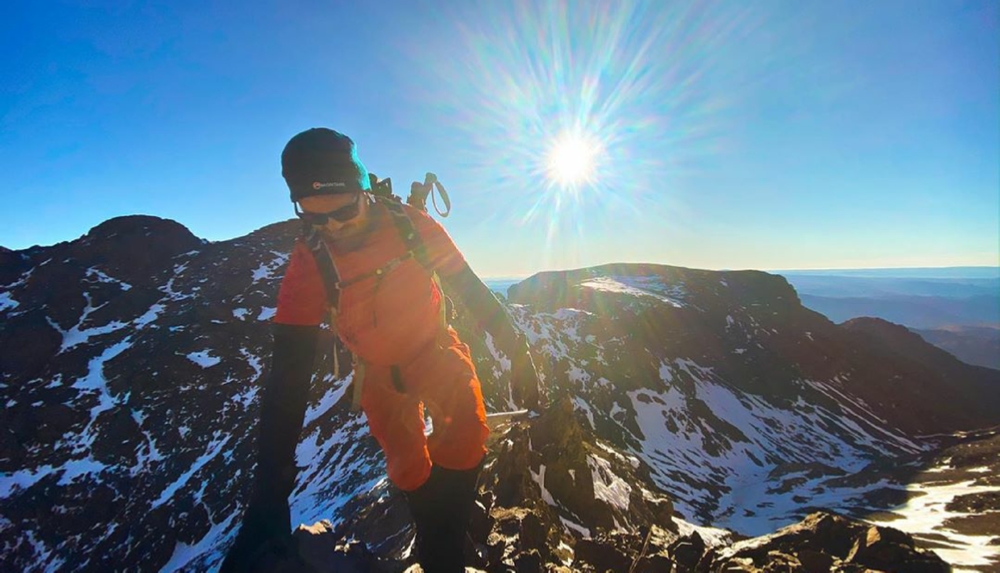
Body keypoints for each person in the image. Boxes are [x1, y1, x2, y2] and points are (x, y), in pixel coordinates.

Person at [222, 128, 542, 573]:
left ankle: (445, 540)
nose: (332, 227)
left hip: (435, 351)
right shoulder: (310, 260)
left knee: (467, 437)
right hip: (378, 372)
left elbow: (471, 291)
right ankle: (436, 528)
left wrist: (517, 352)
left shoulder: (412, 226)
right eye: (315, 218)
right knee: (408, 467)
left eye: (343, 211)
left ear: (363, 190)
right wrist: (268, 495)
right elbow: (287, 377)